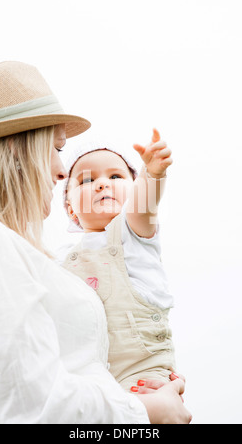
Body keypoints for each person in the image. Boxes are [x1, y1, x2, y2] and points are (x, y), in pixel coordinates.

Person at [0, 61, 192, 424]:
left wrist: (152, 175)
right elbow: (35, 406)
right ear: (15, 153)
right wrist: (149, 411)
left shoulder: (18, 252)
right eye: (55, 150)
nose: (60, 170)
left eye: (117, 176)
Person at [60, 131, 176, 392]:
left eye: (115, 176)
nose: (102, 184)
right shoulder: (62, 259)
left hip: (143, 371)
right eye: (87, 180)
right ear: (70, 209)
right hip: (88, 376)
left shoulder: (133, 234)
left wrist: (153, 174)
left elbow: (143, 206)